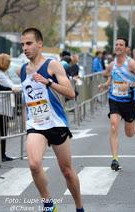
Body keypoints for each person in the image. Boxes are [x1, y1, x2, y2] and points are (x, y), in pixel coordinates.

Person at [17, 27, 84, 212]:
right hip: (36, 125)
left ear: (40, 44)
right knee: (34, 164)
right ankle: (48, 204)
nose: (25, 48)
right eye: (22, 44)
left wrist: (48, 82)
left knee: (67, 171)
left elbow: (71, 93)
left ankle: (79, 207)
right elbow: (27, 100)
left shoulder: (52, 65)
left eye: (29, 43)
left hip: (56, 123)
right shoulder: (22, 70)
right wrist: (26, 122)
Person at [98, 38, 135, 171]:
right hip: (114, 99)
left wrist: (131, 85)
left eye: (121, 45)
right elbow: (110, 75)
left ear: (126, 48)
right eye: (116, 44)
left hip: (129, 102)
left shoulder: (131, 64)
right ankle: (115, 159)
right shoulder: (112, 64)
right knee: (114, 125)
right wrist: (105, 84)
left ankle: (134, 123)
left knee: (129, 134)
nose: (118, 47)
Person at [0, 53, 18, 162]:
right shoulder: (0, 75)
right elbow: (12, 87)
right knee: (1, 131)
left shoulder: (2, 74)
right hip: (1, 108)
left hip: (2, 107)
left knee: (1, 131)